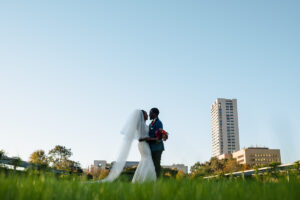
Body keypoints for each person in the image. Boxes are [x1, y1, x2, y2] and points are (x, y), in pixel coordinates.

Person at [139, 108, 164, 178]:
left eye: (150, 113)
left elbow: (160, 137)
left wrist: (150, 139)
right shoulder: (150, 124)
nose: (149, 114)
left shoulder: (159, 123)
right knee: (150, 166)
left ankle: (158, 180)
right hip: (150, 148)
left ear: (155, 114)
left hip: (157, 147)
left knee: (156, 165)